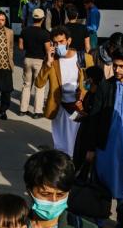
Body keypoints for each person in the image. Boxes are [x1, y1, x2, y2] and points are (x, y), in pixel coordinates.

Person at [87, 46, 123, 202]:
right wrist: (91, 148)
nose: (117, 70)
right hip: (106, 143)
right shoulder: (104, 86)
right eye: (115, 66)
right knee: (103, 179)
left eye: (121, 66)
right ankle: (99, 218)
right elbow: (94, 119)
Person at [36, 25, 89, 156]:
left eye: (61, 42)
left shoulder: (84, 58)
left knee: (77, 142)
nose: (58, 45)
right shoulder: (52, 61)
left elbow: (91, 83)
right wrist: (47, 63)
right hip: (59, 108)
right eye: (55, 42)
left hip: (78, 108)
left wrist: (83, 94)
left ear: (69, 41)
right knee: (61, 144)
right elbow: (39, 83)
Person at [19, 7, 52, 118]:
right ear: (43, 19)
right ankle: (37, 111)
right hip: (39, 61)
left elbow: (21, 46)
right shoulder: (45, 33)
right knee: (39, 86)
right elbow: (48, 50)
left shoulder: (25, 31)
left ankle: (23, 110)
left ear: (32, 18)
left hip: (27, 59)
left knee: (26, 85)